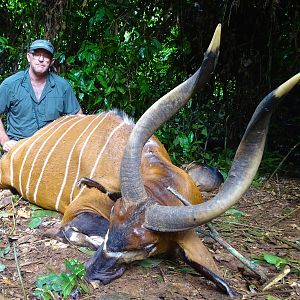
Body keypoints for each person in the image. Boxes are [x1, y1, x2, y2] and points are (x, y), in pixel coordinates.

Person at [0, 39, 83, 152]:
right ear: (29, 57)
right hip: (18, 151)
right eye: (37, 54)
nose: (41, 59)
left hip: (51, 152)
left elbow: (78, 117)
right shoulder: (10, 84)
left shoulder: (62, 86)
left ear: (52, 61)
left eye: (46, 56)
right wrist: (5, 141)